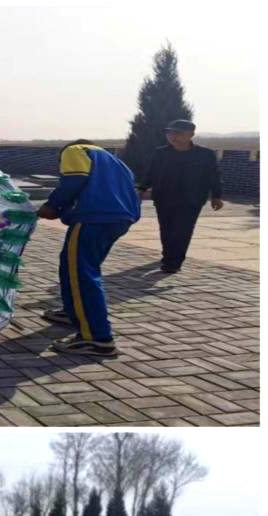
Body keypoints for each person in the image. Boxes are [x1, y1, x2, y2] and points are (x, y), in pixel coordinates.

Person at [36, 140, 141, 358]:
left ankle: (97, 338)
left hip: (93, 218)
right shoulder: (114, 161)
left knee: (82, 274)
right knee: (73, 266)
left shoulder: (74, 150)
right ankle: (73, 311)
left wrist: (53, 205)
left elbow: (74, 180)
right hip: (118, 218)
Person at [137, 119, 223, 273]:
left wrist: (216, 196)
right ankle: (168, 256)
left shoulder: (204, 155)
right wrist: (141, 189)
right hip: (164, 197)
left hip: (191, 199)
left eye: (177, 133)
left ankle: (174, 262)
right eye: (170, 133)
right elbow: (150, 173)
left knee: (182, 230)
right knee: (166, 229)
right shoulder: (160, 153)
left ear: (190, 135)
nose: (172, 136)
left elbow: (213, 176)